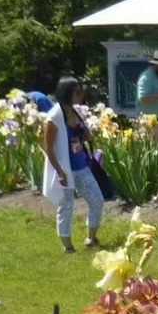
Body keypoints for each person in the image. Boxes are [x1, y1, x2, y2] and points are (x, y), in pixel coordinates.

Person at [42, 76, 104, 253]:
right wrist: (60, 172)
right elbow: (49, 149)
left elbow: (82, 136)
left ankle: (91, 238)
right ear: (67, 93)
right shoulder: (53, 117)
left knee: (97, 200)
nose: (81, 95)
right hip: (65, 169)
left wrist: (87, 135)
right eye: (77, 92)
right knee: (66, 206)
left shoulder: (78, 112)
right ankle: (67, 246)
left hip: (81, 165)